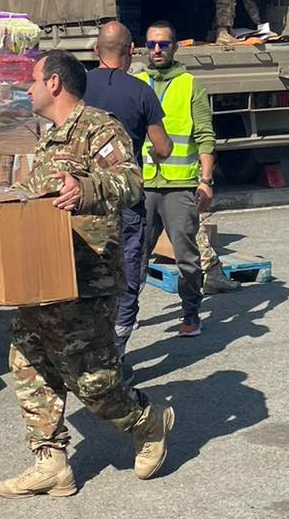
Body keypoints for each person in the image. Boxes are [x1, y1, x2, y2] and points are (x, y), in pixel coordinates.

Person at [0, 50, 175, 498]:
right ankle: (51, 462)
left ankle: (146, 421)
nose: (28, 90)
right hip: (41, 277)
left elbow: (131, 182)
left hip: (86, 277)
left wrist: (87, 189)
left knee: (92, 381)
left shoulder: (99, 127)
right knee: (29, 362)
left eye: (33, 81)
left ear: (54, 83)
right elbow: (32, 201)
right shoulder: (47, 140)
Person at [138, 21, 235, 338]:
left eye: (163, 44)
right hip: (142, 185)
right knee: (133, 255)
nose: (156, 50)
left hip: (179, 186)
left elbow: (205, 136)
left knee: (187, 257)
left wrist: (206, 180)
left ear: (175, 47)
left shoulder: (190, 84)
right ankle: (127, 312)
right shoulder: (137, 82)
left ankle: (191, 313)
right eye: (151, 44)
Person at [82, 21, 173, 355]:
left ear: (95, 51)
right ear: (131, 50)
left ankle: (88, 351)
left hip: (82, 199)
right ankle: (115, 353)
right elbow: (162, 148)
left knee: (86, 272)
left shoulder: (77, 86)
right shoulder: (141, 91)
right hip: (125, 199)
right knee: (127, 275)